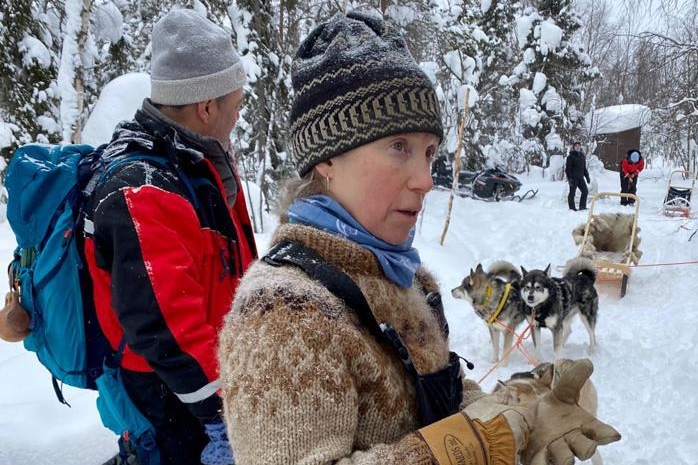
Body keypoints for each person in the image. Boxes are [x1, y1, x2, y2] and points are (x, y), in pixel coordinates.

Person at [217, 12, 620, 465]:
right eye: (398, 147)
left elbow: (442, 400)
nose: (426, 180)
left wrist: (524, 411)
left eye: (429, 152)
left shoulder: (408, 279)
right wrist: (474, 445)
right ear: (327, 158)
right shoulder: (283, 313)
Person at [85, 8, 257, 465]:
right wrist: (221, 412)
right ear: (206, 107)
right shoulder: (144, 190)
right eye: (235, 108)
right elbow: (162, 325)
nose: (236, 120)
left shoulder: (194, 163)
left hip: (199, 378)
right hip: (171, 393)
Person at [565, 141, 591, 211]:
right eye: (576, 146)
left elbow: (584, 168)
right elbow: (568, 169)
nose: (577, 147)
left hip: (581, 178)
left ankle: (582, 206)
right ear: (574, 147)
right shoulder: (570, 157)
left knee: (585, 191)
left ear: (580, 147)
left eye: (579, 146)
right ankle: (572, 208)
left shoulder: (582, 156)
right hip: (573, 178)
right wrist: (569, 178)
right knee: (572, 193)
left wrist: (587, 177)